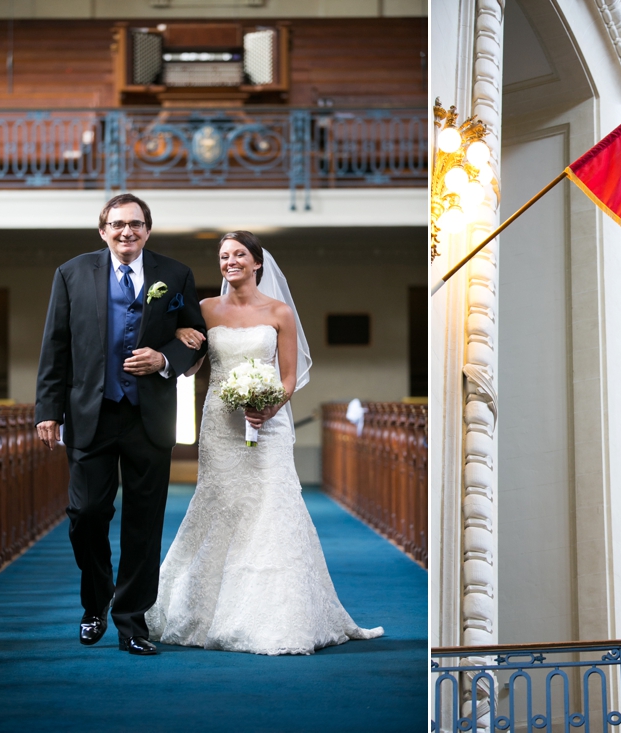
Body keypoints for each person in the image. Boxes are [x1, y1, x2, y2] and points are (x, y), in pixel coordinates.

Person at [145, 231, 383, 654]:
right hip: (221, 420)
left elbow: (289, 376)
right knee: (221, 504)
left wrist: (271, 405)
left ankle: (279, 617)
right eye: (224, 255)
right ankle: (201, 610)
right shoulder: (203, 309)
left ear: (257, 262)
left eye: (239, 254)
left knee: (274, 505)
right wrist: (180, 347)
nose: (230, 261)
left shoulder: (280, 312)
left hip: (267, 422)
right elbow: (192, 362)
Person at [35, 193, 207, 656]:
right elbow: (55, 345)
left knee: (143, 524)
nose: (126, 231)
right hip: (90, 414)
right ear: (103, 231)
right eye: (117, 224)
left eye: (135, 224)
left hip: (148, 417)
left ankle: (132, 621)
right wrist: (48, 410)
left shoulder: (175, 274)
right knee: (86, 514)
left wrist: (166, 358)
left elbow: (195, 339)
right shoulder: (72, 273)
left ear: (148, 230)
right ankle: (95, 603)